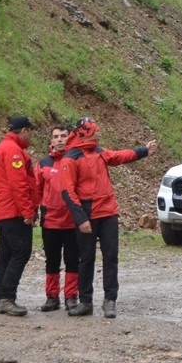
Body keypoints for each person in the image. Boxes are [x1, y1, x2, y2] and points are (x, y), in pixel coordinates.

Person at [59, 118, 158, 318]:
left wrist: (143, 151)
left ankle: (110, 300)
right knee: (86, 259)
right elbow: (67, 192)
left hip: (108, 214)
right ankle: (86, 301)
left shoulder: (98, 151)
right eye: (95, 131)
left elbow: (119, 156)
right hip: (88, 216)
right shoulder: (71, 158)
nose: (98, 134)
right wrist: (81, 219)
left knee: (110, 257)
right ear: (86, 133)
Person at [0, 115, 38, 316]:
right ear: (25, 130)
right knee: (20, 252)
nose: (31, 136)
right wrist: (28, 212)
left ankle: (1, 297)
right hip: (13, 211)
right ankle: (7, 298)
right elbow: (18, 185)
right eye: (31, 132)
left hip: (2, 210)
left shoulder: (2, 148)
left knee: (6, 254)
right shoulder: (14, 152)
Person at [36, 124, 80, 311]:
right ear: (51, 141)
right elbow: (36, 190)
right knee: (51, 259)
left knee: (72, 259)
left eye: (63, 136)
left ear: (69, 139)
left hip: (72, 220)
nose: (60, 139)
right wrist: (31, 212)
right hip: (50, 220)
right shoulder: (43, 163)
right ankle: (52, 297)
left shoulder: (76, 160)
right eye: (56, 136)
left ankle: (71, 296)